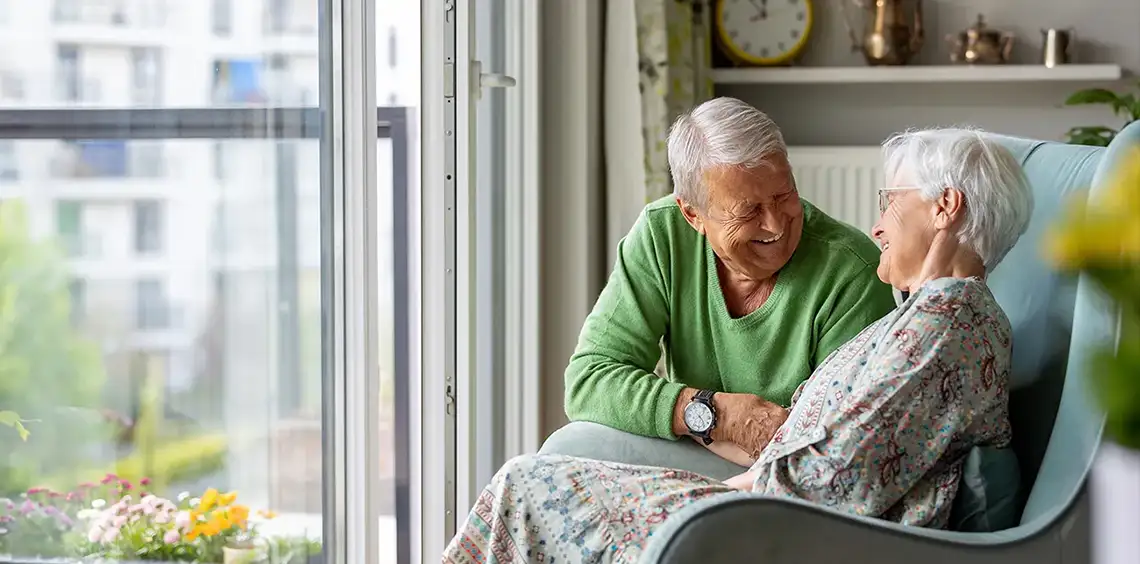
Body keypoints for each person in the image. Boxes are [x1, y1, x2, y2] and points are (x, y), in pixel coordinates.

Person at [442, 126, 1034, 563]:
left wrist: (701, 495)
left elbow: (834, 481)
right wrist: (715, 427)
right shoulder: (925, 317)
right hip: (767, 500)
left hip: (787, 523)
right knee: (537, 478)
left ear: (945, 208)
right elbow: (822, 444)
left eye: (889, 203)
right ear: (693, 215)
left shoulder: (943, 328)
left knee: (527, 486)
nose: (877, 225)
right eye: (750, 209)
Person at [562, 97, 896, 467]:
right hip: (696, 452)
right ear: (693, 214)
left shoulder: (851, 270)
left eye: (784, 194)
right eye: (749, 210)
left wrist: (701, 426)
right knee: (569, 446)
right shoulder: (663, 234)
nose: (775, 224)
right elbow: (589, 381)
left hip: (789, 479)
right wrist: (716, 414)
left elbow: (838, 449)